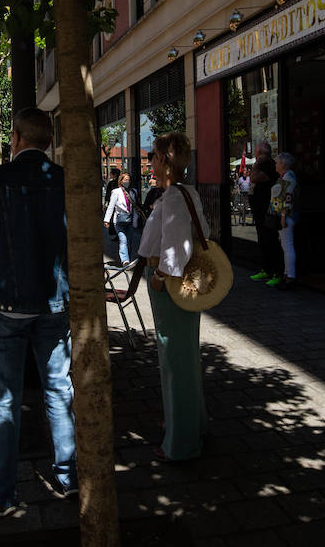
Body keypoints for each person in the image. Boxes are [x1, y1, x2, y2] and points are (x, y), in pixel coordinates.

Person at [0, 108, 75, 516]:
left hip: (7, 302)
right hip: (54, 299)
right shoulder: (62, 178)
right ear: (47, 140)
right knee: (59, 388)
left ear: (17, 137)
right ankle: (67, 477)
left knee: (5, 397)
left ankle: (1, 492)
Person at [136, 133, 209, 461]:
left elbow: (177, 247)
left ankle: (181, 441)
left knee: (174, 359)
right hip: (176, 282)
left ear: (165, 159)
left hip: (170, 284)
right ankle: (188, 423)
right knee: (182, 357)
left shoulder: (176, 197)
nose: (149, 160)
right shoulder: (182, 193)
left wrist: (161, 278)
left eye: (153, 155)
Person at [247, 142, 281, 283]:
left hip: (267, 210)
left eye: (256, 152)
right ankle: (266, 269)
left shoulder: (269, 165)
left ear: (261, 153)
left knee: (270, 240)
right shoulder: (262, 165)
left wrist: (256, 164)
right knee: (263, 239)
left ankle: (276, 272)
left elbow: (253, 178)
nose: (254, 154)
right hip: (259, 210)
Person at [267, 153, 299, 290]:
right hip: (282, 216)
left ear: (283, 164)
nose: (275, 165)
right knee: (285, 246)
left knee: (287, 246)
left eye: (277, 163)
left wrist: (283, 216)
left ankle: (290, 277)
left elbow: (288, 198)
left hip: (285, 217)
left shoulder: (289, 177)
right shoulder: (285, 177)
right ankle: (287, 274)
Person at [104, 172, 140, 264]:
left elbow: (135, 208)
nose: (127, 181)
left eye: (128, 180)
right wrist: (107, 220)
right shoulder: (116, 192)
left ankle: (129, 259)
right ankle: (125, 260)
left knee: (129, 240)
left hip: (131, 221)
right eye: (125, 180)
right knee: (123, 240)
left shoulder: (133, 192)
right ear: (121, 181)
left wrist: (135, 221)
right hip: (119, 220)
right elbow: (111, 207)